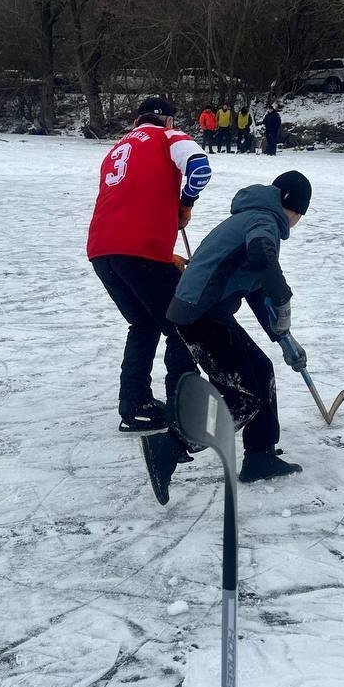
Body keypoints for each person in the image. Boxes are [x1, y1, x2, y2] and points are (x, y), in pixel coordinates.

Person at [140, 171, 312, 505]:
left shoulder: (251, 217)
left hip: (207, 313)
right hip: (199, 315)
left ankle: (260, 455)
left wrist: (283, 337)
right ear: (291, 206)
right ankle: (170, 445)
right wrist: (283, 299)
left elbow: (257, 289)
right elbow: (263, 256)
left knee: (261, 370)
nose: (298, 221)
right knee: (244, 396)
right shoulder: (263, 221)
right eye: (300, 213)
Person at [87, 96, 211, 432]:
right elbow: (200, 168)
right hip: (140, 251)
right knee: (183, 326)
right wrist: (185, 203)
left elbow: (130, 198)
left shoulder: (117, 148)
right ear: (168, 120)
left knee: (143, 323)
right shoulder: (167, 136)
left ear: (136, 120)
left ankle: (135, 404)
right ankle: (185, 413)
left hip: (102, 250)